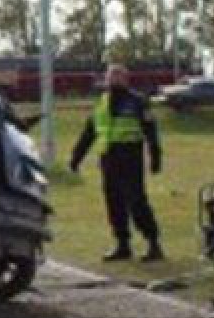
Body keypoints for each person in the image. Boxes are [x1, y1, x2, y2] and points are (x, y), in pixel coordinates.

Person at [68, 64, 166, 262]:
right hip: (108, 158)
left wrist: (155, 157)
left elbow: (150, 130)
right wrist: (76, 157)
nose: (112, 79)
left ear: (126, 79)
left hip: (130, 156)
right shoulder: (102, 103)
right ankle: (122, 244)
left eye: (117, 76)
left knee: (137, 201)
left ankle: (153, 243)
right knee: (114, 202)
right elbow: (90, 132)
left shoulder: (138, 101)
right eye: (110, 76)